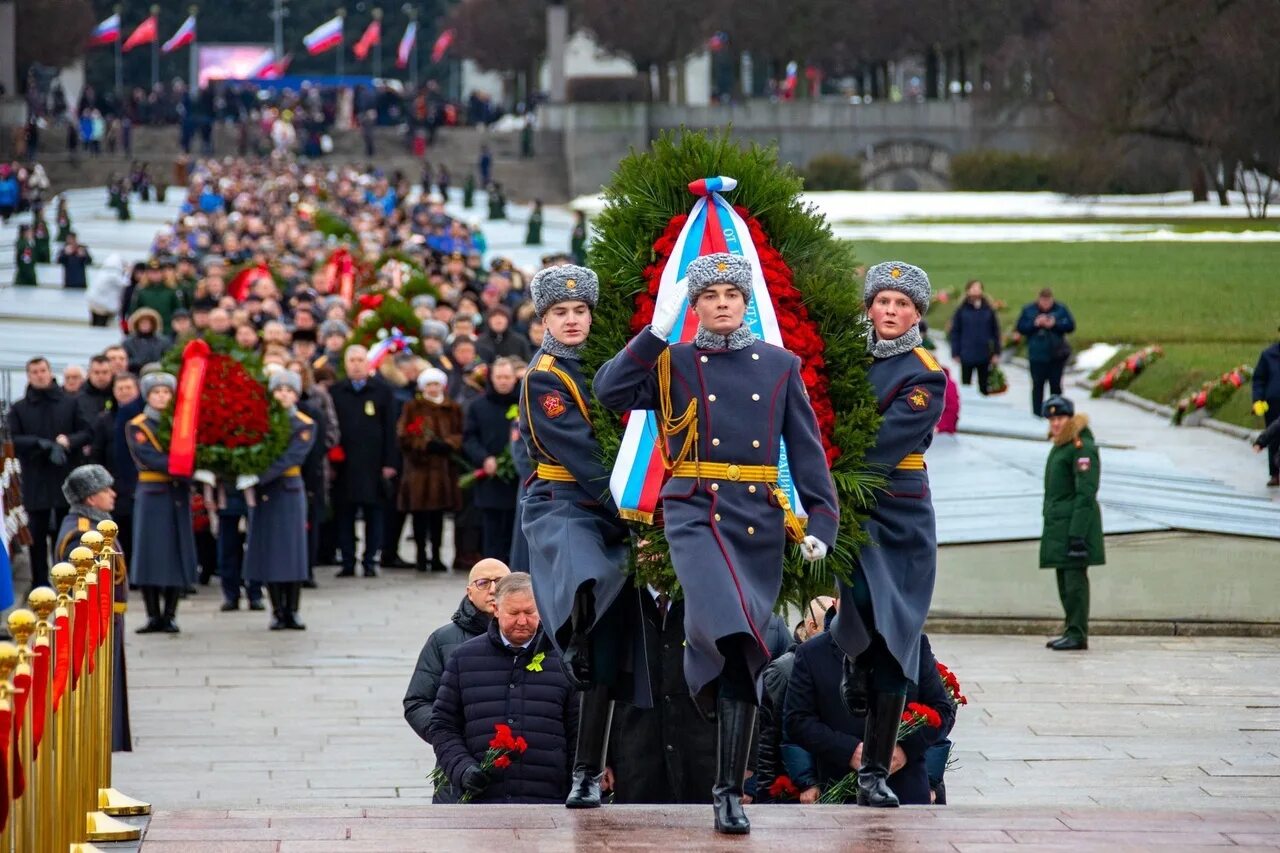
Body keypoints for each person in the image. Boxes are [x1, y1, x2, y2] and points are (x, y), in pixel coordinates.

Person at [594, 252, 839, 834]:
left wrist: (820, 524)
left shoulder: (779, 365)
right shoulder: (673, 361)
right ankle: (721, 756)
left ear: (747, 302)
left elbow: (805, 450)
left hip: (757, 520)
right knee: (730, 629)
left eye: (733, 293)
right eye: (711, 296)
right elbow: (609, 391)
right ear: (696, 306)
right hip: (694, 513)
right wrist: (654, 333)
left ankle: (728, 790)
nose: (723, 303)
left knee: (744, 648)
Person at [517, 264, 648, 809]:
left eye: (580, 311)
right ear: (543, 319)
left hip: (616, 506)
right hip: (565, 504)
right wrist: (635, 508)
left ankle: (592, 770)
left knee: (614, 644)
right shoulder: (545, 376)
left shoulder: (606, 364)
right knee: (587, 582)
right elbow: (580, 453)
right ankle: (572, 632)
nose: (572, 321)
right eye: (559, 313)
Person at [830, 261, 946, 809]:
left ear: (918, 313)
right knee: (857, 608)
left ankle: (874, 771)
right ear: (870, 308)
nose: (892, 312)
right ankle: (850, 657)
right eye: (883, 302)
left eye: (903, 305)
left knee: (897, 640)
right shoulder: (849, 362)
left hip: (898, 511)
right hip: (852, 506)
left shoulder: (925, 373)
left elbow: (883, 443)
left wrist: (828, 469)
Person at [427, 573, 579, 805]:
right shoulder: (464, 658)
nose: (521, 621)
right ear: (496, 610)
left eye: (529, 613)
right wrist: (462, 768)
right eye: (513, 613)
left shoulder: (563, 659)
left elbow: (578, 730)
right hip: (483, 799)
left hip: (548, 801)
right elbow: (443, 725)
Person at [785, 632, 955, 805]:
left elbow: (941, 710)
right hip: (840, 793)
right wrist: (849, 751)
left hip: (905, 792)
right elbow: (797, 721)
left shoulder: (912, 643)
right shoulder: (812, 653)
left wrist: (904, 750)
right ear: (838, 604)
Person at [606, 586, 716, 805]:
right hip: (635, 755)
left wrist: (743, 764)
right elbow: (601, 683)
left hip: (699, 756)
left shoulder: (706, 598)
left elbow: (737, 679)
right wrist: (602, 759)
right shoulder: (618, 599)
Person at [54, 464, 132, 752]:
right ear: (89, 499)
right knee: (100, 699)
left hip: (108, 620)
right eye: (105, 490)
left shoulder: (97, 523)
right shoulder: (82, 534)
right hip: (95, 625)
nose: (112, 494)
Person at [403, 559, 511, 755]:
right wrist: (448, 738)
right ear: (469, 592)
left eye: (501, 582)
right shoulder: (443, 639)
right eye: (483, 583)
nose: (493, 589)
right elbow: (418, 702)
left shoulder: (533, 635)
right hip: (460, 758)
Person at [241, 371, 317, 630]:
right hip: (267, 495)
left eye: (289, 389)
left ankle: (292, 609)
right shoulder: (261, 422)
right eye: (279, 389)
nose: (284, 393)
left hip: (288, 490)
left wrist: (257, 476)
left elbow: (292, 457)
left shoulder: (304, 423)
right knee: (271, 552)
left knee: (292, 553)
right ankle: (276, 609)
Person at [8, 356, 92, 589]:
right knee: (37, 532)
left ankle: (66, 576)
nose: (39, 375)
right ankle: (39, 581)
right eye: (34, 371)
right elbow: (12, 440)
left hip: (65, 476)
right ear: (29, 375)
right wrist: (38, 443)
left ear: (49, 372)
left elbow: (86, 432)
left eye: (43, 370)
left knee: (66, 531)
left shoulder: (69, 403)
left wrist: (68, 441)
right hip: (36, 477)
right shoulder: (20, 408)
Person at [126, 370, 198, 633]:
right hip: (153, 491)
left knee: (175, 553)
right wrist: (184, 466)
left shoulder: (182, 423)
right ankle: (152, 614)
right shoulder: (139, 425)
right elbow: (148, 457)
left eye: (166, 392)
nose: (161, 396)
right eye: (156, 392)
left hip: (176, 492)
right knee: (150, 554)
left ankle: (170, 614)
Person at [1040, 395, 1104, 651]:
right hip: (1059, 525)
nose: (1055, 423)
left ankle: (1078, 632)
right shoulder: (1062, 445)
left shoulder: (1081, 447)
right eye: (1052, 419)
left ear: (1070, 418)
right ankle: (1071, 629)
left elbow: (1086, 493)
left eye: (1060, 418)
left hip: (1073, 526)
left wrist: (1077, 533)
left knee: (1075, 583)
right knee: (1065, 582)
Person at [756, 596, 834, 804]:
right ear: (812, 626)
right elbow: (766, 736)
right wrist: (764, 795)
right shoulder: (784, 670)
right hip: (792, 790)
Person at [329, 345, 398, 578]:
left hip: (374, 464)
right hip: (345, 465)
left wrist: (390, 462)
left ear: (368, 363)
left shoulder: (382, 391)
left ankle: (370, 560)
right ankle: (348, 560)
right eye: (352, 360)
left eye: (361, 359)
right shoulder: (336, 391)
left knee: (374, 514)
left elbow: (390, 429)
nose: (356, 364)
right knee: (345, 514)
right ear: (346, 364)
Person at [397, 367, 464, 573]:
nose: (433, 389)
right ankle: (420, 554)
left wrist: (450, 443)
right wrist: (423, 444)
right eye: (429, 385)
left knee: (438, 516)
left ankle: (436, 555)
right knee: (419, 515)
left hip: (443, 470)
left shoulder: (452, 407)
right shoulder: (413, 407)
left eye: (436, 384)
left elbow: (461, 432)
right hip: (419, 470)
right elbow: (403, 435)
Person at [462, 357, 521, 561]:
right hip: (490, 479)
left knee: (515, 533)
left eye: (507, 377)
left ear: (515, 378)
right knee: (492, 533)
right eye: (499, 377)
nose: (503, 381)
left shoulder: (524, 403)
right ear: (492, 379)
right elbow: (469, 438)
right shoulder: (478, 406)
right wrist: (484, 458)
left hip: (518, 479)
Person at [1016, 287, 1076, 418]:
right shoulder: (1029, 310)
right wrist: (1035, 323)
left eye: (1048, 300)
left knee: (1056, 386)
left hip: (1056, 356)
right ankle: (1037, 414)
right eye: (1043, 300)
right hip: (1037, 356)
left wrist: (1055, 324)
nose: (1045, 303)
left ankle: (1057, 413)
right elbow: (1021, 327)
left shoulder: (1060, 310)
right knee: (1037, 386)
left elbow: (1070, 326)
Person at [947, 279, 1001, 395]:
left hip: (984, 354)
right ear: (968, 291)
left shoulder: (988, 310)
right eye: (973, 288)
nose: (976, 291)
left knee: (984, 386)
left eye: (978, 288)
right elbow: (955, 332)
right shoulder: (961, 310)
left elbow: (995, 332)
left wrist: (996, 352)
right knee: (966, 386)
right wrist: (955, 352)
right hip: (966, 353)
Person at [1251, 327, 1280, 487]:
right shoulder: (1268, 355)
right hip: (1272, 403)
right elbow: (1259, 380)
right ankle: (1275, 474)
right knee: (1274, 435)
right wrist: (1257, 400)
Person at [122, 307, 172, 373]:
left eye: (148, 322)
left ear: (153, 324)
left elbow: (168, 359)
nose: (145, 325)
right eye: (142, 322)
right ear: (137, 324)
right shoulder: (128, 342)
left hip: (158, 373)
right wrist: (139, 362)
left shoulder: (164, 341)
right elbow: (124, 361)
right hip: (135, 374)